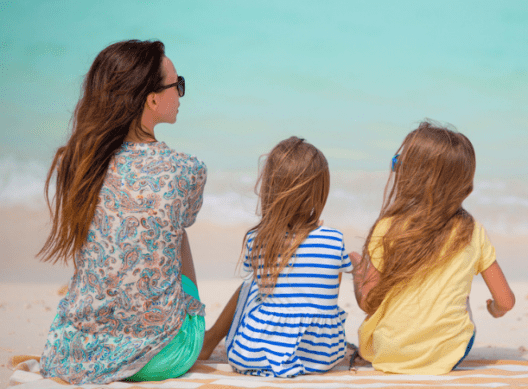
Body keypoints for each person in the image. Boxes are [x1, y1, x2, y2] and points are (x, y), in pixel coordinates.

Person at [37, 40, 206, 384]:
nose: (181, 93)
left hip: (76, 353)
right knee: (175, 230)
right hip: (163, 356)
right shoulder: (186, 169)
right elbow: (175, 229)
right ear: (153, 98)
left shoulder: (81, 163)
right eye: (178, 85)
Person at [350, 121, 515, 374]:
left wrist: (358, 272)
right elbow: (505, 300)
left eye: (398, 165)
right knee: (462, 297)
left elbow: (368, 303)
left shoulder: (387, 228)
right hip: (450, 355)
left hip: (389, 352)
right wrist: (494, 309)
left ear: (410, 177)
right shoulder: (472, 231)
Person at [198, 137, 353, 377]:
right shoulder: (333, 238)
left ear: (270, 187)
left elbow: (259, 286)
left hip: (256, 353)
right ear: (320, 190)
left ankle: (209, 341)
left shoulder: (258, 239)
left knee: (250, 286)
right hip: (323, 353)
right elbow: (330, 290)